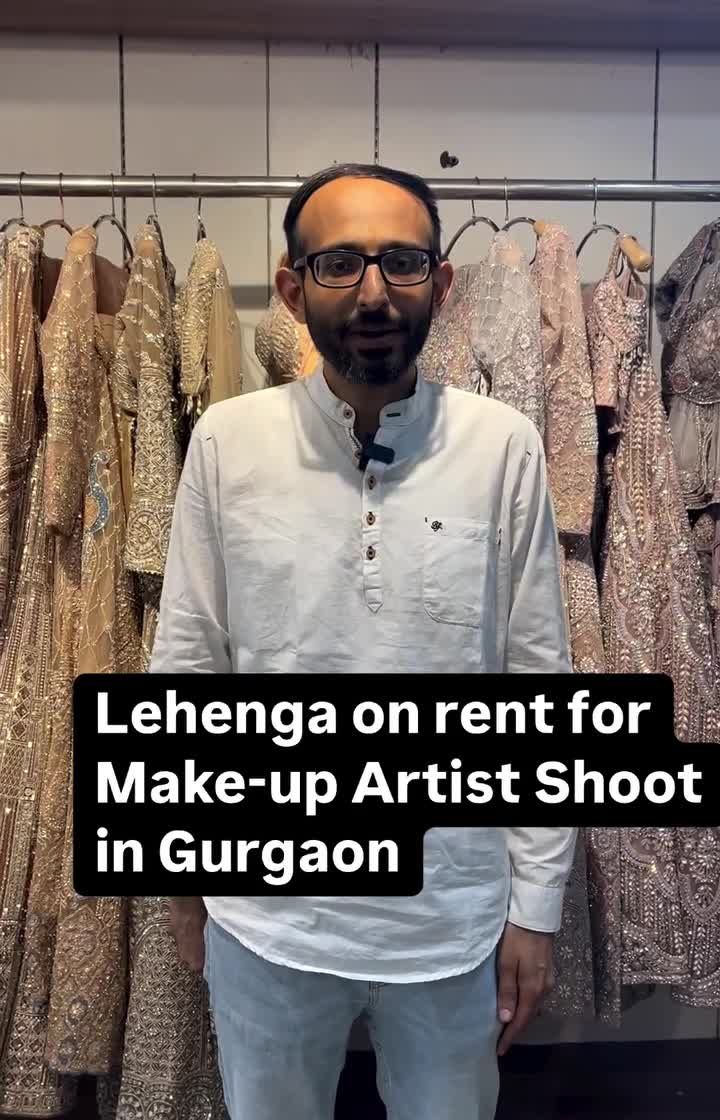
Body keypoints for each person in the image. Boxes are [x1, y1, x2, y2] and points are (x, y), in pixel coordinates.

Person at [151, 163, 576, 1120]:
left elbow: (537, 689)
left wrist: (535, 910)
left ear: (442, 283)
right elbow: (187, 667)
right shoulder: (227, 441)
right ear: (292, 287)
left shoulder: (503, 445)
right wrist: (182, 884)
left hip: (451, 919)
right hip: (265, 917)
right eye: (340, 263)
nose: (374, 292)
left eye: (402, 262)